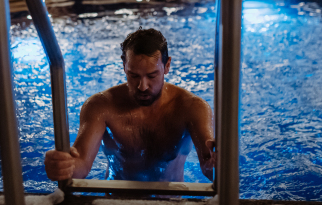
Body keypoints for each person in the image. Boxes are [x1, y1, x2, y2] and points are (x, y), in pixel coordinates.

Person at [44, 28, 215, 183]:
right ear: (123, 64)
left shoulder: (192, 108)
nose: (142, 86)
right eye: (133, 76)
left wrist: (218, 163)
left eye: (152, 75)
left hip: (170, 202)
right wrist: (65, 166)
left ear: (167, 66)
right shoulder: (101, 106)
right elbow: (81, 162)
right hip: (116, 200)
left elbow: (209, 169)